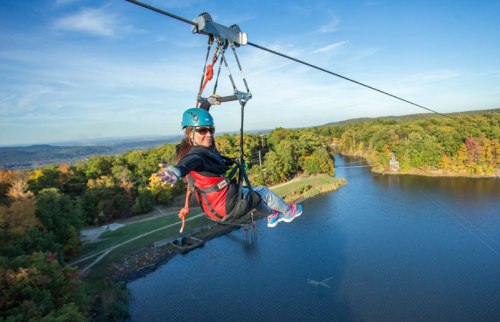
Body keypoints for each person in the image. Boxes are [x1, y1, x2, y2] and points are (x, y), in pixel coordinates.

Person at [155, 97, 302, 227]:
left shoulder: (190, 147)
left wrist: (206, 104)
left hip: (216, 203)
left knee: (254, 192)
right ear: (189, 133)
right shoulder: (197, 155)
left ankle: (272, 216)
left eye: (211, 130)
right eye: (202, 131)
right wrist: (176, 170)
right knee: (263, 192)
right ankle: (289, 212)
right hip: (225, 206)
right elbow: (188, 162)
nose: (208, 134)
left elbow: (198, 120)